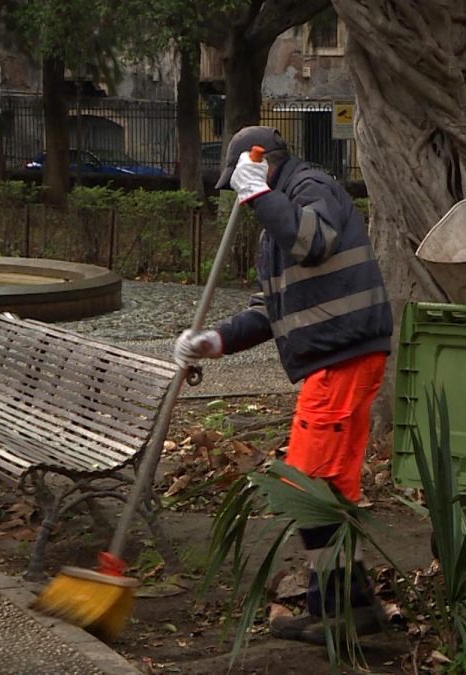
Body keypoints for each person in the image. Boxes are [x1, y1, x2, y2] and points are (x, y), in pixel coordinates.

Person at [172, 126, 393, 645]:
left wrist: (263, 196)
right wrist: (213, 341)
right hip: (336, 358)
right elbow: (268, 308)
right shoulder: (277, 225)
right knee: (329, 485)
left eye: (244, 183)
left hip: (343, 357)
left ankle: (336, 609)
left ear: (262, 163)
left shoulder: (311, 189)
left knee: (307, 484)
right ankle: (351, 605)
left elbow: (313, 242)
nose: (242, 199)